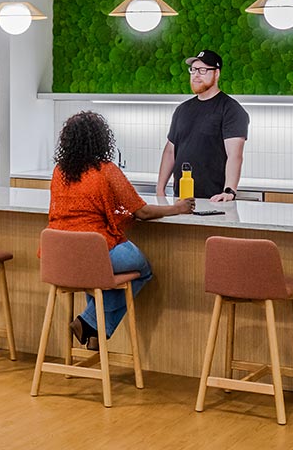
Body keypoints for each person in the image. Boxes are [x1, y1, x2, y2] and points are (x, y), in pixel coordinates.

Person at [50, 111, 194, 350]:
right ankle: (89, 323)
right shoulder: (106, 170)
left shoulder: (59, 172)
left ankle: (94, 330)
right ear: (100, 139)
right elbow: (142, 212)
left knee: (98, 279)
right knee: (143, 270)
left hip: (61, 256)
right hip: (97, 251)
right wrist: (177, 208)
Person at [155, 49, 249, 203]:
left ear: (216, 73)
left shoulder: (231, 109)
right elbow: (170, 151)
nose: (196, 75)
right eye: (193, 70)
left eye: (203, 70)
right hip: (181, 199)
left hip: (214, 200)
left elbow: (235, 155)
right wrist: (160, 188)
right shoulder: (182, 109)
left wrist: (229, 191)